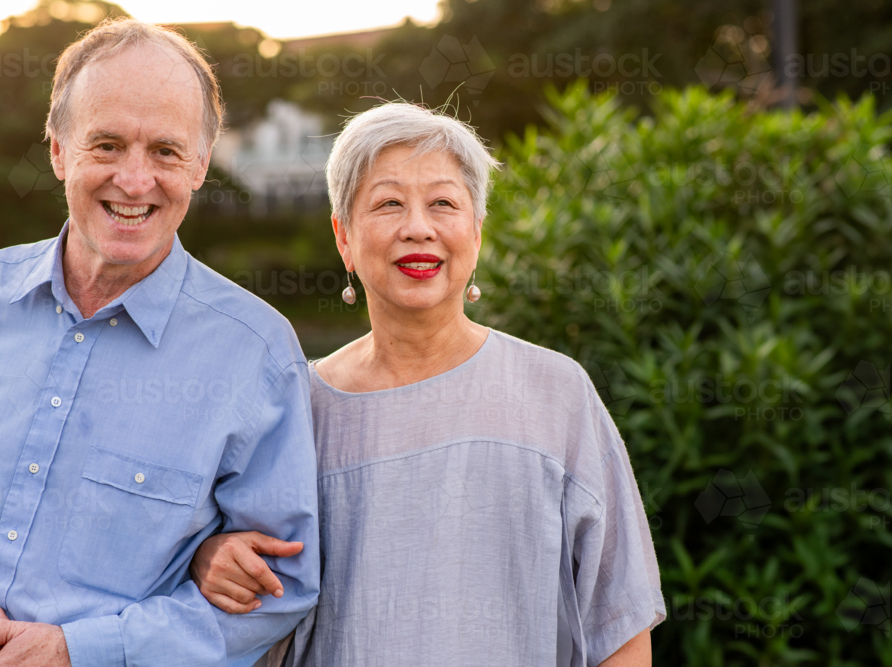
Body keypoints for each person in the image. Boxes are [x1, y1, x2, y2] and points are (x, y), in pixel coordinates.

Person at [0, 18, 319, 667]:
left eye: (167, 152)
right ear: (60, 149)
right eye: (108, 144)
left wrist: (83, 651)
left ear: (202, 164)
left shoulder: (256, 353)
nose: (135, 180)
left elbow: (279, 590)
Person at [190, 101, 666, 666]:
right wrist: (208, 557)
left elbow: (621, 622)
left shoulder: (555, 391)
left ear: (477, 231)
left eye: (443, 203)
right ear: (344, 237)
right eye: (388, 203)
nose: (419, 228)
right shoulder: (297, 406)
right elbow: (242, 581)